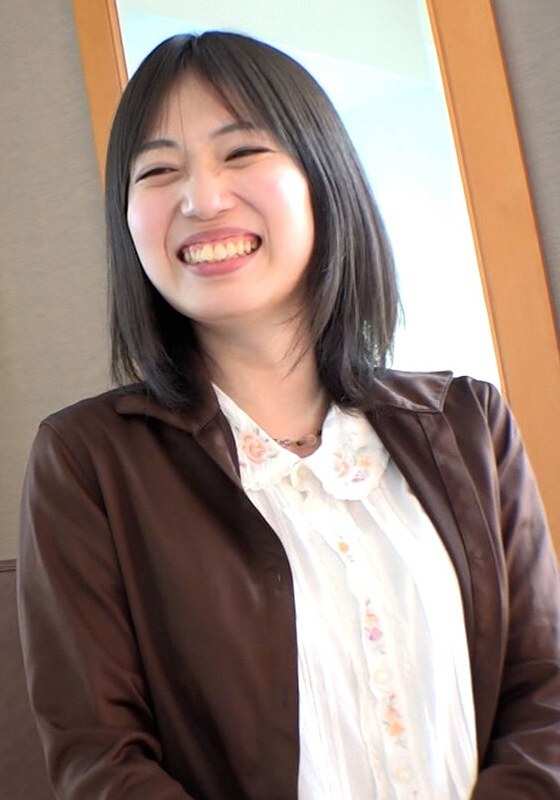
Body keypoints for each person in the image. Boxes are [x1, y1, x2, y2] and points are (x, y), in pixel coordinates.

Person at [17, 30, 560, 800]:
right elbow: (100, 760)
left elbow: (544, 692)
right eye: (159, 170)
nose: (202, 199)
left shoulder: (468, 421)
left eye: (241, 153)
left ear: (322, 177)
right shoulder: (87, 460)